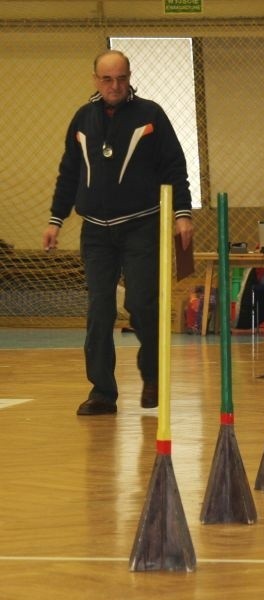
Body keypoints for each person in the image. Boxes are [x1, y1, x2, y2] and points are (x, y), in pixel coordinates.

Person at [42, 49, 193, 415]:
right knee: (99, 310)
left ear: (129, 77)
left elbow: (175, 165)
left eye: (121, 78)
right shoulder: (82, 119)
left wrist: (182, 214)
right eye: (107, 79)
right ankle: (102, 393)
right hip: (95, 232)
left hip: (142, 224)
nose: (114, 85)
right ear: (95, 79)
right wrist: (55, 219)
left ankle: (152, 374)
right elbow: (69, 173)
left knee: (142, 304)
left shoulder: (151, 114)